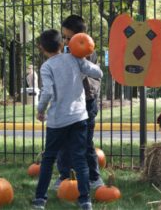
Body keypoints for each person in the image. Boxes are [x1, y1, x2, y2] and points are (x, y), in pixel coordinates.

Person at [32, 29, 103, 210]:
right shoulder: (75, 59)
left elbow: (47, 91)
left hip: (58, 121)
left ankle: (40, 199)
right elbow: (98, 73)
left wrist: (40, 110)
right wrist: (83, 58)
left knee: (48, 159)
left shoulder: (46, 67)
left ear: (41, 48)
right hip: (79, 118)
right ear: (62, 44)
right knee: (79, 158)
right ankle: (85, 200)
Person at [54, 14, 104, 190]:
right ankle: (65, 176)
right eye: (64, 37)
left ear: (81, 36)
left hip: (87, 103)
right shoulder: (66, 52)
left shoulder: (87, 51)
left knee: (84, 141)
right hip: (68, 103)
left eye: (70, 37)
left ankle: (94, 177)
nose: (66, 41)